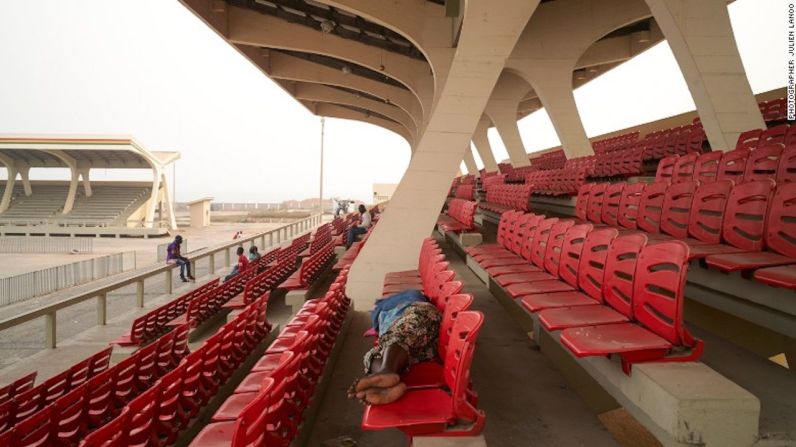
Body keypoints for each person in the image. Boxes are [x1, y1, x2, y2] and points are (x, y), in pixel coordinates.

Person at [347, 289, 441, 405]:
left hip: (419, 319)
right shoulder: (387, 306)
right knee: (375, 354)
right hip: (423, 349)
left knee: (402, 332)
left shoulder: (408, 297)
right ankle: (386, 385)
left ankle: (385, 371)